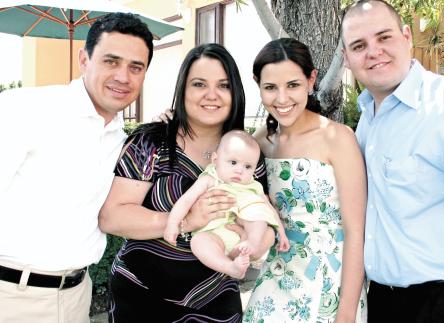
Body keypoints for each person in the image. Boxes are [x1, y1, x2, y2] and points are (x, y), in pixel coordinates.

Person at [98, 43, 275, 322]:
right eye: (199, 84)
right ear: (183, 89)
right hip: (140, 296)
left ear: (236, 92)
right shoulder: (151, 142)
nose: (211, 95)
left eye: (223, 85)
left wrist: (251, 244)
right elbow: (111, 217)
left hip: (215, 300)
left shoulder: (248, 156)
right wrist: (187, 220)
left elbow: (264, 223)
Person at [0, 13, 153, 323]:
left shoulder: (122, 140)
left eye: (135, 67)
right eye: (111, 61)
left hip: (77, 296)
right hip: (12, 296)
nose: (123, 77)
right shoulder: (24, 109)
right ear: (84, 59)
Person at [341, 1, 444, 322]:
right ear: (346, 58)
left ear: (407, 36)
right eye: (359, 45)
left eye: (384, 37)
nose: (374, 52)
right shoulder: (366, 119)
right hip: (384, 300)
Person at [243, 38, 368, 323]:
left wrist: (346, 313)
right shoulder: (261, 141)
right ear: (257, 84)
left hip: (327, 283)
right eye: (270, 87)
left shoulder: (338, 138)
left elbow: (356, 231)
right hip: (276, 278)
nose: (282, 99)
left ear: (311, 80)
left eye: (293, 85)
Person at [164, 130, 290, 279]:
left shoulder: (253, 186)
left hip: (247, 236)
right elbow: (186, 200)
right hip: (215, 234)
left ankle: (252, 244)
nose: (239, 170)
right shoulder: (209, 179)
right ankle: (230, 267)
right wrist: (172, 224)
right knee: (199, 242)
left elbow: (269, 210)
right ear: (215, 160)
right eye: (233, 162)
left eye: (248, 167)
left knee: (259, 212)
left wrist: (282, 233)